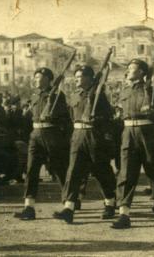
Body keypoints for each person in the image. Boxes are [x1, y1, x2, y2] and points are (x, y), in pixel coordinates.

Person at [53, 65, 117, 224]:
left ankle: (110, 202)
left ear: (89, 78)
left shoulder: (98, 95)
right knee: (73, 171)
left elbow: (109, 117)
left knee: (101, 170)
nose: (77, 79)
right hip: (78, 136)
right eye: (76, 76)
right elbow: (70, 117)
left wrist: (99, 124)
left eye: (80, 76)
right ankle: (69, 208)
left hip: (94, 136)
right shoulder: (74, 95)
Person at [112, 59, 154, 229]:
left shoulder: (151, 90)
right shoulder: (124, 91)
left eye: (133, 69)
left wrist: (152, 113)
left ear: (142, 73)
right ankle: (124, 214)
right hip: (128, 133)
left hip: (146, 134)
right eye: (128, 68)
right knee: (126, 173)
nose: (129, 71)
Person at [14, 67, 71, 220]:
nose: (35, 80)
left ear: (47, 79)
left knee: (59, 170)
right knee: (31, 170)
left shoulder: (58, 95)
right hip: (35, 135)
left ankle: (68, 205)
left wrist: (53, 113)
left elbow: (64, 118)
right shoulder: (34, 96)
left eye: (39, 77)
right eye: (35, 77)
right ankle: (29, 207)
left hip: (51, 134)